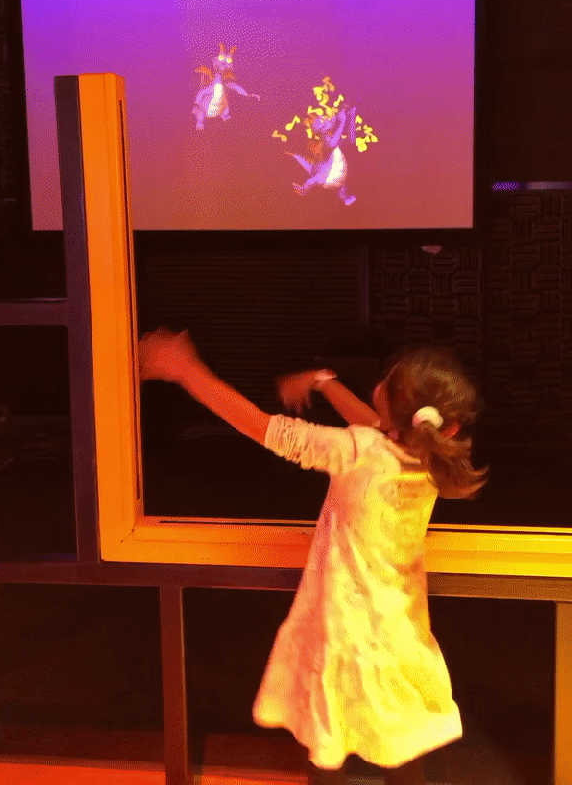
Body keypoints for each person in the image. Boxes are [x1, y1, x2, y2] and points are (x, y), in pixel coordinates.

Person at [138, 328, 488, 785]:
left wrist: (186, 369)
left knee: (328, 745)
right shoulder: (429, 460)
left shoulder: (359, 451)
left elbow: (263, 427)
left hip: (344, 631)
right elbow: (376, 426)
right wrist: (324, 383)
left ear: (384, 397)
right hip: (400, 629)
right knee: (401, 744)